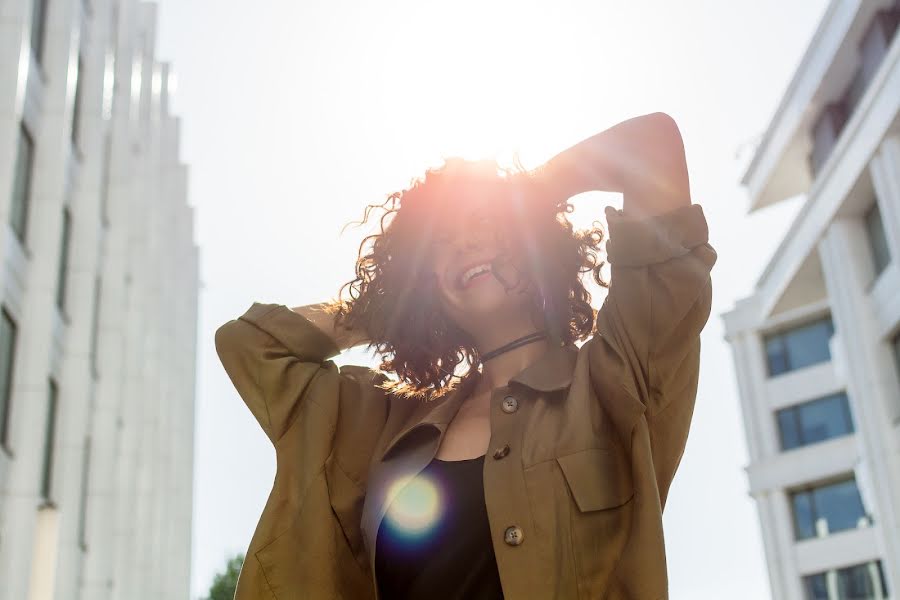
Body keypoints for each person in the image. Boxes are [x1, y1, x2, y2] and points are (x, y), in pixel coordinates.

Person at [215, 111, 717, 600]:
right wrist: (394, 301)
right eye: (442, 245)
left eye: (484, 224)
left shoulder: (621, 373)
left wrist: (523, 196)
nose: (467, 243)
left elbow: (652, 145)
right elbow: (253, 346)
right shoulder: (381, 423)